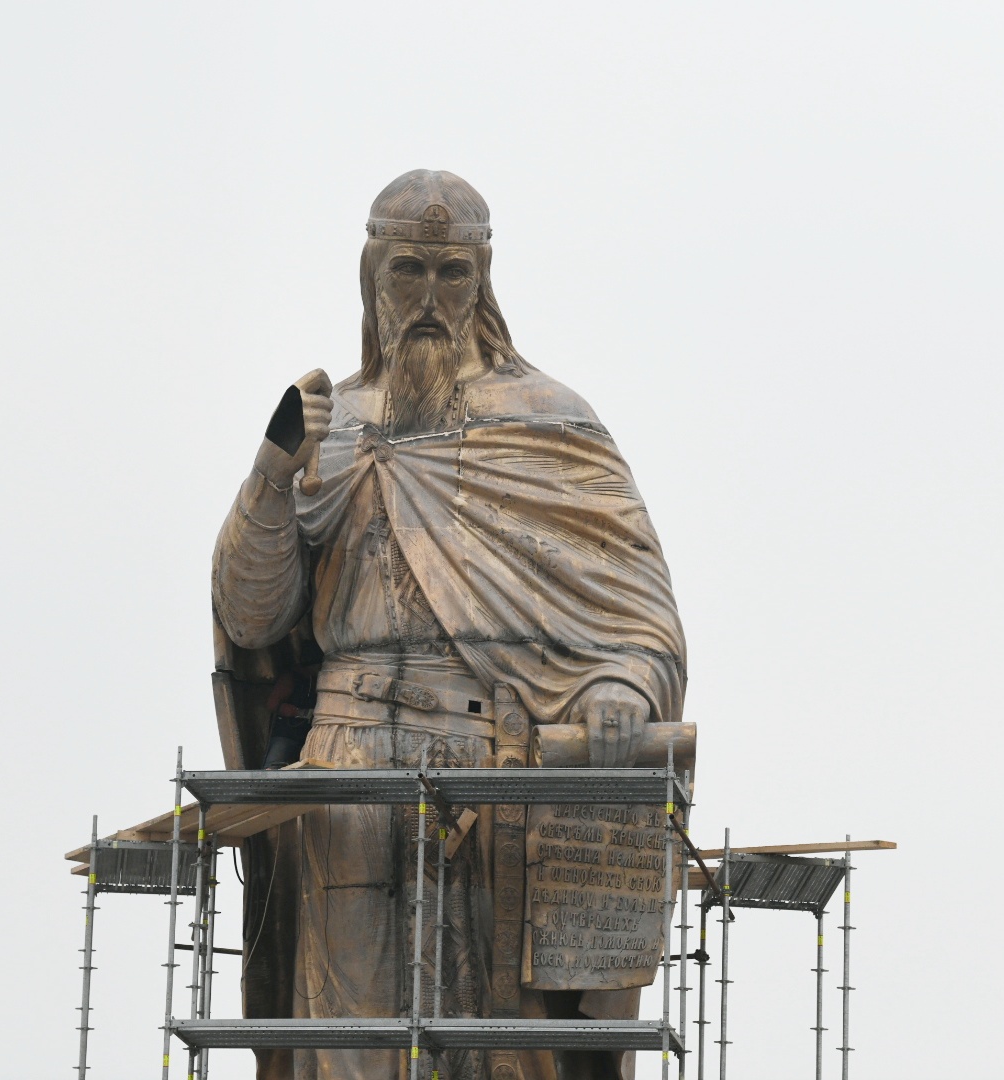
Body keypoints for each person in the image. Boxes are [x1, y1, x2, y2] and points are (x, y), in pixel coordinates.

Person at [212, 169, 687, 1080]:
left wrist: (621, 684)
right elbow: (252, 612)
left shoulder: (550, 425)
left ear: (484, 279)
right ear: (371, 278)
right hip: (347, 775)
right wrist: (274, 475)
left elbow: (638, 613)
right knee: (353, 1040)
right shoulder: (331, 430)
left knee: (496, 1041)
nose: (429, 298)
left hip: (491, 776)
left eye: (451, 272)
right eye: (407, 271)